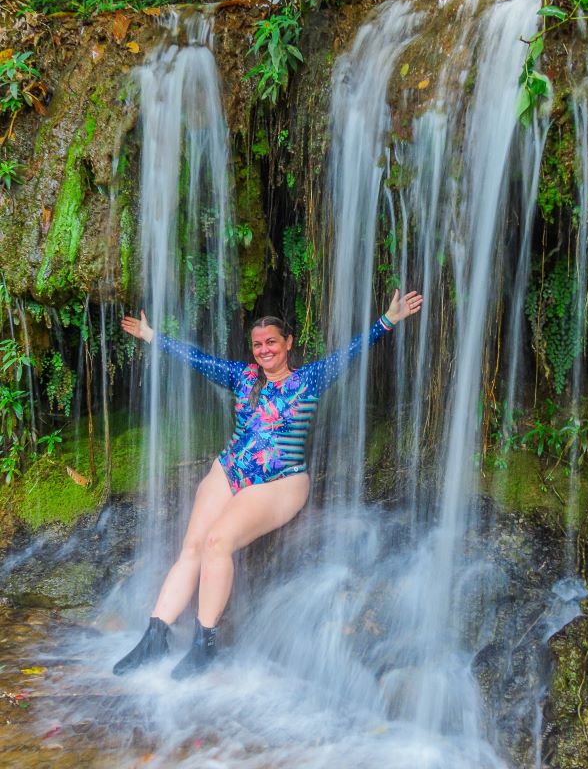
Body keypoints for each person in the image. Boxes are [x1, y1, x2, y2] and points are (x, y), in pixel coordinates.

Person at [113, 289, 423, 680]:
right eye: (258, 345)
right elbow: (198, 360)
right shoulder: (241, 377)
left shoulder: (308, 380)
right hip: (230, 471)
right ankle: (154, 636)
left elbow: (350, 354)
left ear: (287, 343)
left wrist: (388, 319)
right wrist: (152, 335)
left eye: (271, 342)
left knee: (216, 543)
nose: (264, 350)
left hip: (280, 481)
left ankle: (205, 642)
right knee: (191, 546)